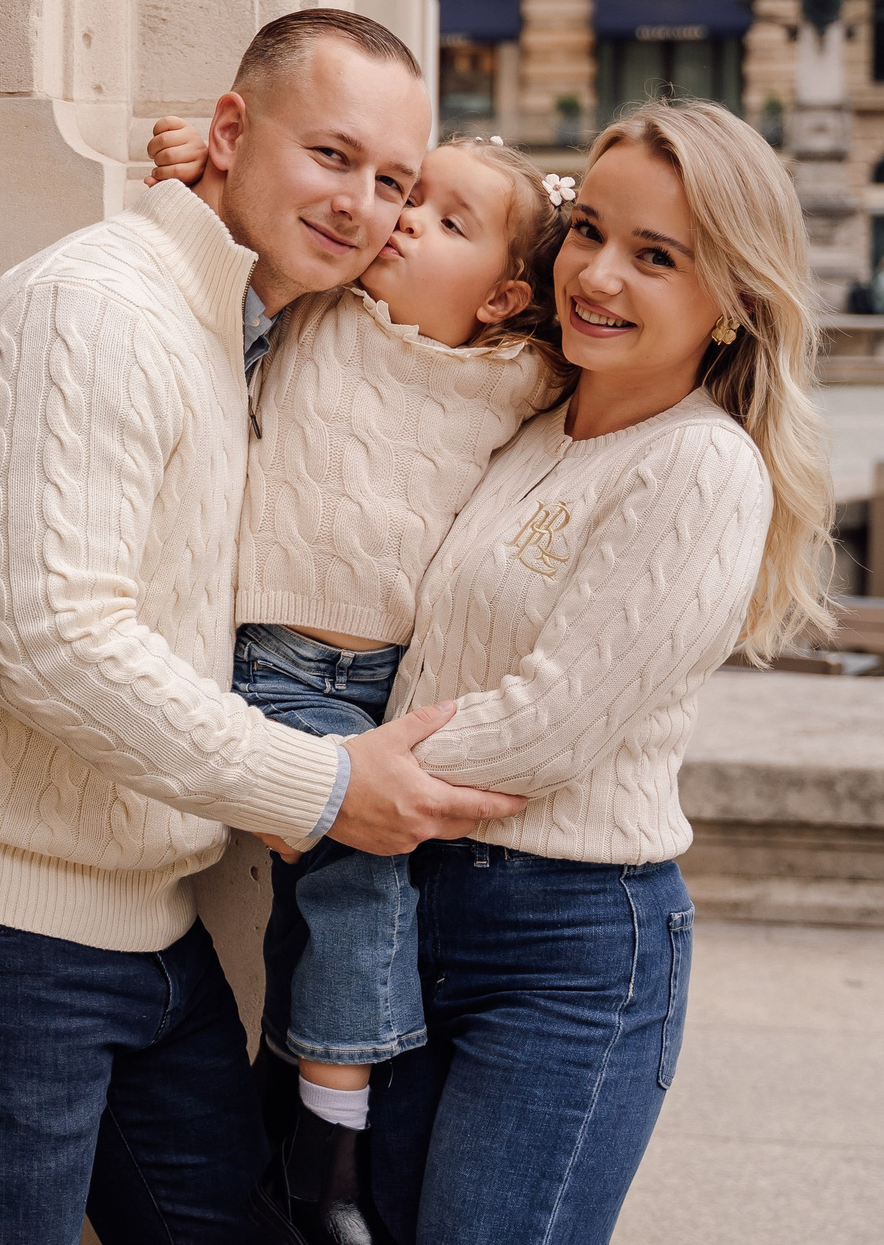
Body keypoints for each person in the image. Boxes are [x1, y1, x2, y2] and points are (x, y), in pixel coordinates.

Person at [0, 9, 529, 1245]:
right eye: (332, 155)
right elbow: (54, 642)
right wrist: (321, 786)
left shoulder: (238, 324)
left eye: (394, 182)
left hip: (146, 929)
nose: (362, 204)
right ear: (231, 130)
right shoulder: (90, 313)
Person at [358, 100, 833, 1245]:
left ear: (731, 300)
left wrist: (326, 783)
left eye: (654, 256)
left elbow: (544, 731)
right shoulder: (528, 423)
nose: (598, 276)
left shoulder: (701, 470)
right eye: (590, 232)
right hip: (408, 908)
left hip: (566, 943)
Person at [141, 124, 562, 1244]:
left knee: (327, 915)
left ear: (506, 298)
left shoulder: (526, 380)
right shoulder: (323, 310)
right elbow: (228, 265)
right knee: (361, 881)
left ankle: (293, 1127)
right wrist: (202, 161)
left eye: (445, 219)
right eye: (407, 197)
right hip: (272, 667)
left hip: (389, 684)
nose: (403, 218)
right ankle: (329, 1169)